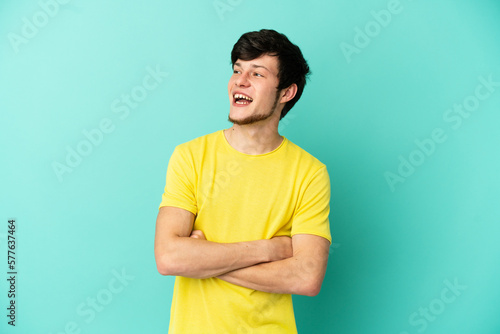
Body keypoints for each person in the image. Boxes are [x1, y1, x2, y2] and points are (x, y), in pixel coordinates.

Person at [154, 29, 332, 334]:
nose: (240, 80)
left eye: (257, 73)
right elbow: (170, 258)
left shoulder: (310, 173)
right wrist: (267, 251)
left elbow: (306, 277)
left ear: (286, 93)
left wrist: (204, 259)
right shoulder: (190, 157)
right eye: (237, 69)